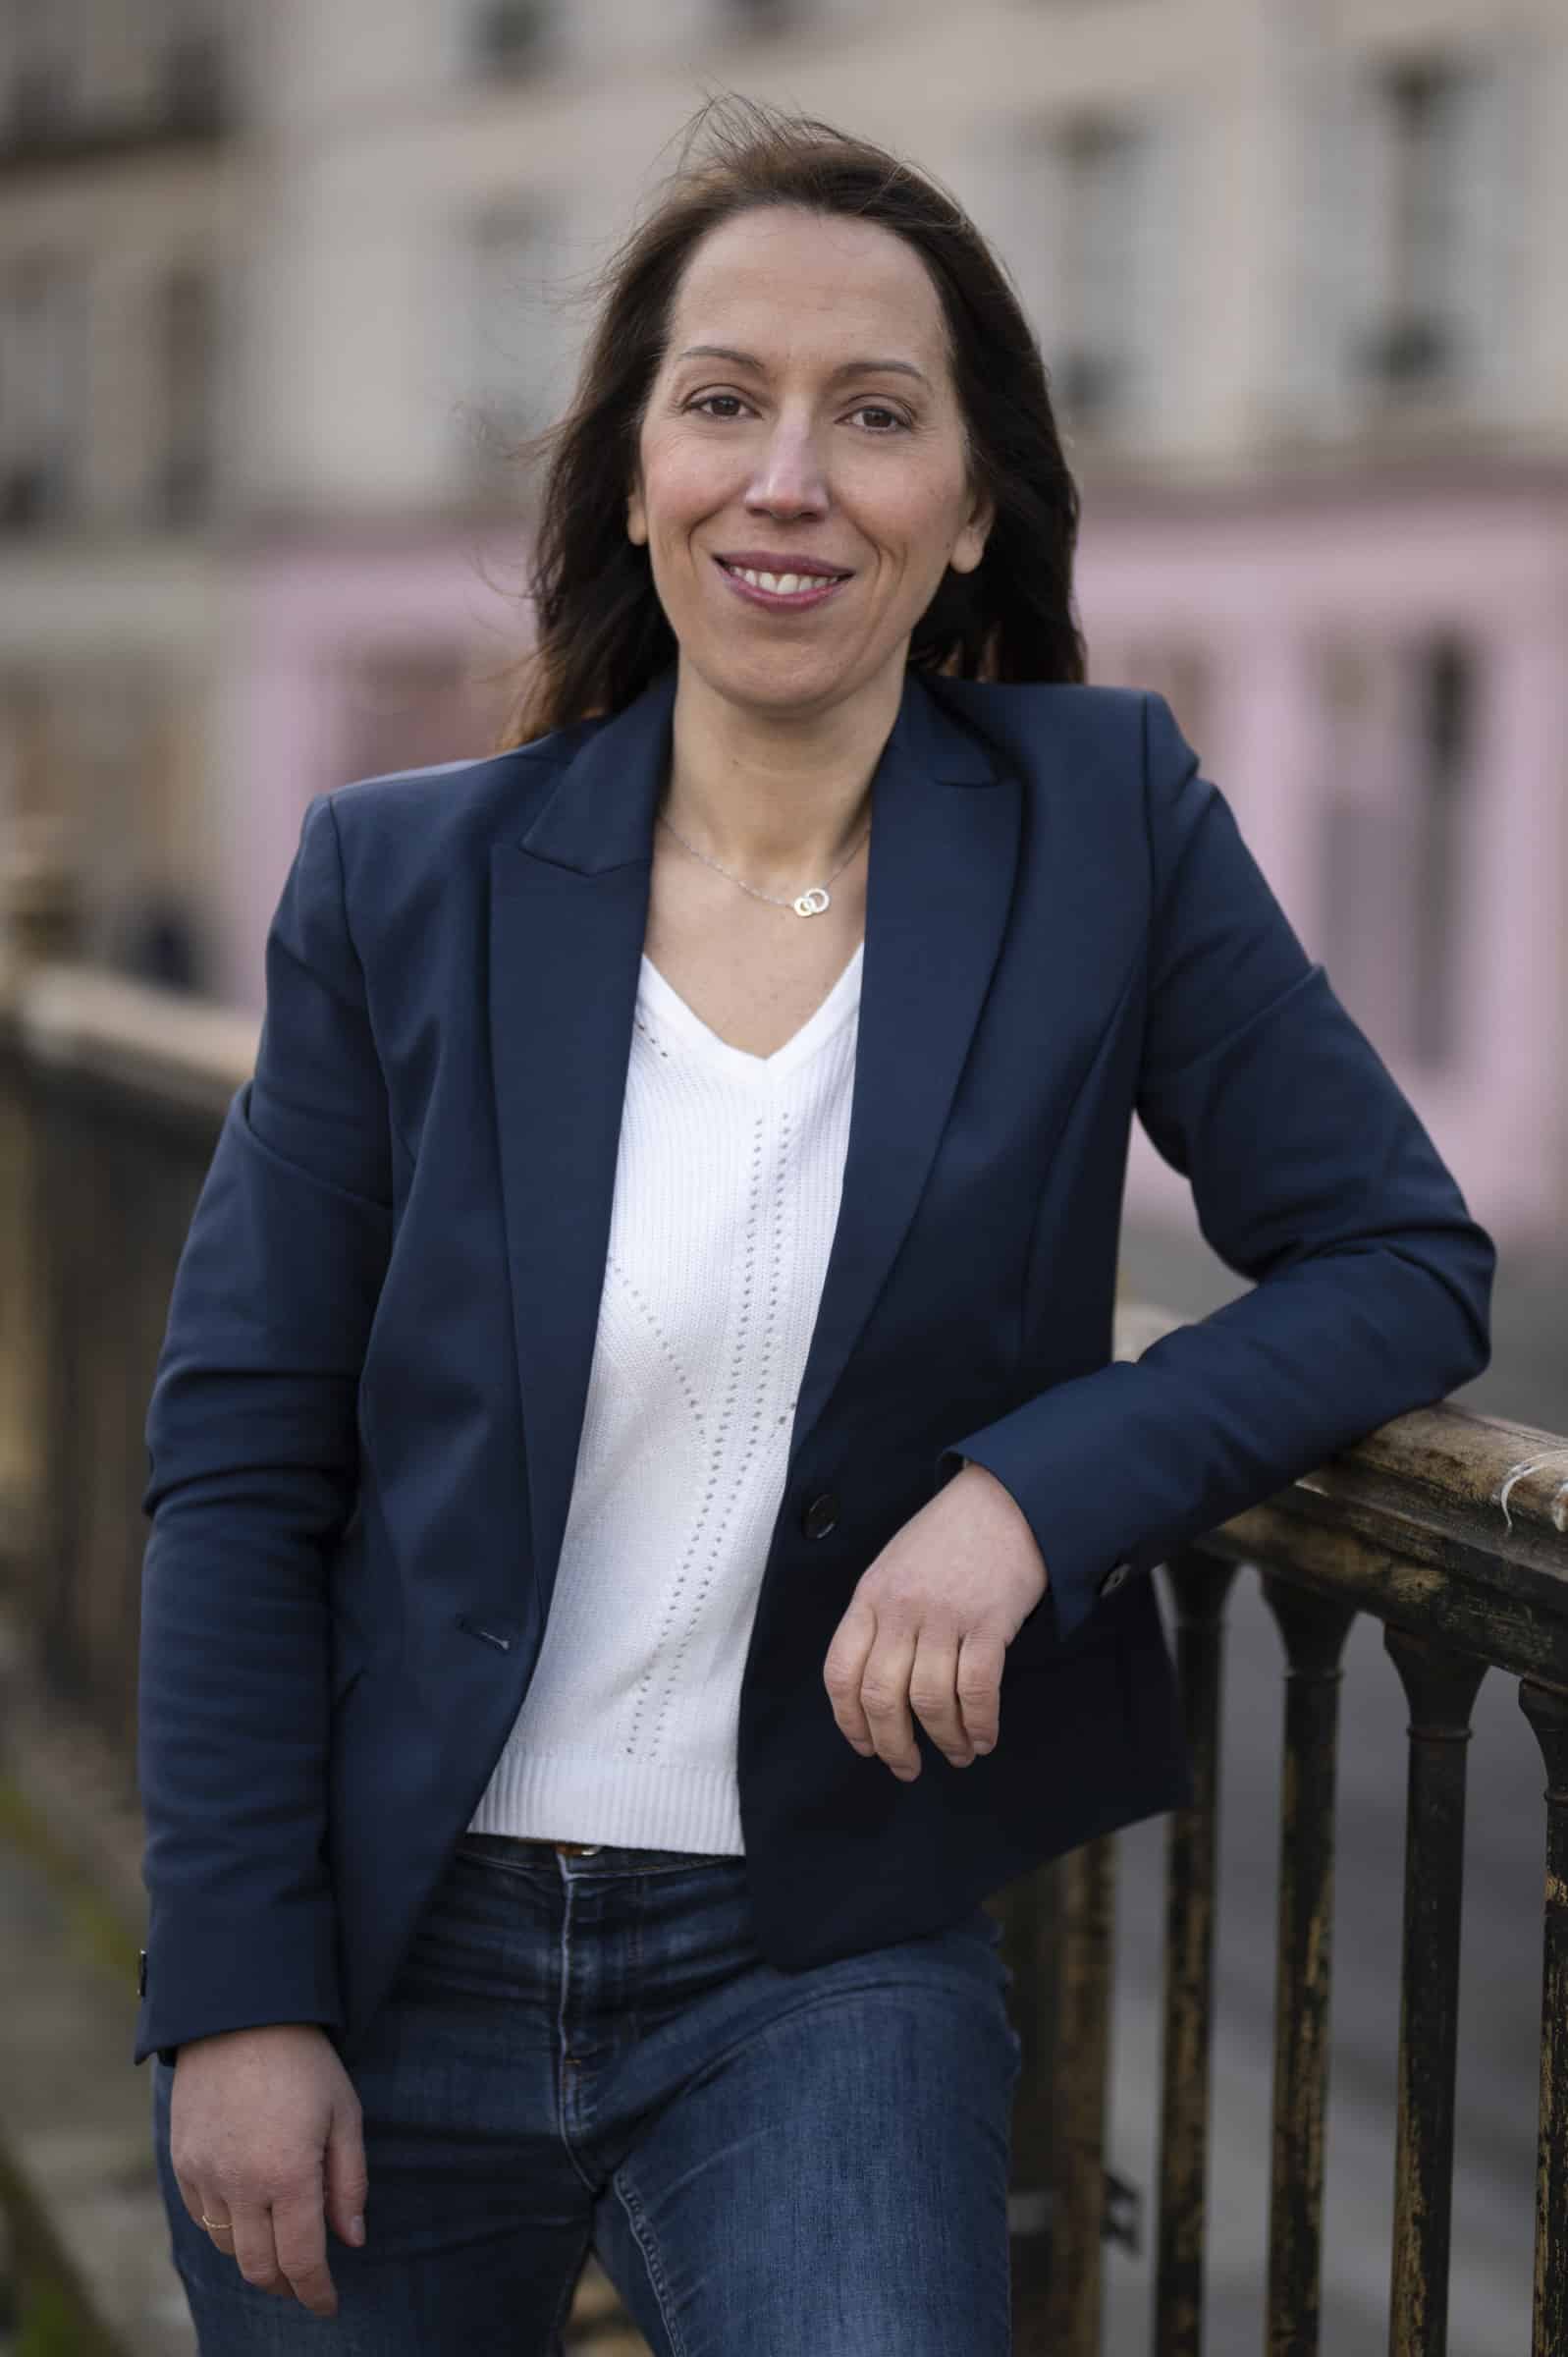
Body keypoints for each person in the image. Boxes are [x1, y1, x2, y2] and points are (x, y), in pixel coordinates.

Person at [135, 95, 1494, 2355]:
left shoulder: (1106, 827)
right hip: (389, 1943)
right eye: (720, 403)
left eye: (872, 415)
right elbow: (242, 1456)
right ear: (634, 478)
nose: (787, 478)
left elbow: (1398, 1261)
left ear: (968, 511)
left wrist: (1029, 1495)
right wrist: (236, 1995)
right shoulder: (406, 884)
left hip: (815, 1953)